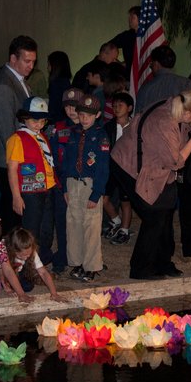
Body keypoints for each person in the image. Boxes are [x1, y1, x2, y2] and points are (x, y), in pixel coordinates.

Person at [111, 90, 191, 279]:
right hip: (128, 165)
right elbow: (175, 162)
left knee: (166, 210)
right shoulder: (164, 122)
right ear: (188, 112)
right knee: (154, 216)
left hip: (151, 164)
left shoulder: (171, 102)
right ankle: (141, 268)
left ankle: (163, 262)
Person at [0, 35, 37, 233]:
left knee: (11, 205)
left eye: (33, 61)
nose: (31, 66)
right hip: (8, 156)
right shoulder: (4, 86)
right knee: (10, 206)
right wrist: (19, 156)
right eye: (27, 61)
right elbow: (7, 130)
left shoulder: (19, 81)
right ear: (13, 59)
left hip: (13, 153)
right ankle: (7, 249)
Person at [61, 95, 109, 282]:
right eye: (81, 114)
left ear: (97, 115)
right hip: (73, 184)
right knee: (74, 224)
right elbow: (67, 161)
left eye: (88, 115)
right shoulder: (73, 133)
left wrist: (97, 193)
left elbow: (103, 167)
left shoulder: (101, 136)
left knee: (91, 226)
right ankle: (78, 262)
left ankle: (92, 266)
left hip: (90, 184)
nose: (84, 119)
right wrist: (65, 186)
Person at [6, 97, 56, 264]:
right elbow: (12, 169)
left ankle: (41, 261)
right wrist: (16, 196)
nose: (39, 124)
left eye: (43, 120)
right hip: (30, 193)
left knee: (46, 229)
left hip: (47, 188)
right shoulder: (17, 139)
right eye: (35, 120)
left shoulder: (42, 137)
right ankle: (26, 268)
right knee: (30, 231)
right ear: (24, 118)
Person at [47, 87, 83, 273]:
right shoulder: (58, 129)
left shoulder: (90, 128)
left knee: (82, 223)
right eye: (67, 106)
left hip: (83, 185)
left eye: (75, 105)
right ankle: (62, 255)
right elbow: (51, 158)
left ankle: (81, 258)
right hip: (62, 185)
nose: (71, 110)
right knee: (62, 222)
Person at [102, 92, 134, 245]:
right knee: (104, 199)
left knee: (125, 201)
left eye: (120, 105)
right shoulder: (108, 127)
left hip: (128, 169)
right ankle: (116, 221)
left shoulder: (135, 126)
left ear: (129, 108)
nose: (116, 108)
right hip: (111, 168)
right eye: (114, 105)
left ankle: (125, 229)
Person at [1, 228, 66, 301]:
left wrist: (54, 294)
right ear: (13, 250)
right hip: (3, 272)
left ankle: (32, 273)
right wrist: (9, 287)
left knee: (47, 254)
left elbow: (43, 272)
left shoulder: (30, 251)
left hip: (20, 267)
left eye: (29, 254)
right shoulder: (3, 252)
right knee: (26, 287)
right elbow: (7, 272)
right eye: (23, 255)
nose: (27, 256)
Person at [134, 46, 191, 112]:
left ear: (156, 64)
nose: (150, 66)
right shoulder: (187, 84)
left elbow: (138, 118)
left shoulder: (145, 89)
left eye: (152, 62)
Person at [45, 51, 72, 123]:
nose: (47, 67)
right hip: (66, 120)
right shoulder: (66, 81)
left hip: (57, 121)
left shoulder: (55, 83)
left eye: (49, 64)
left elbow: (53, 108)